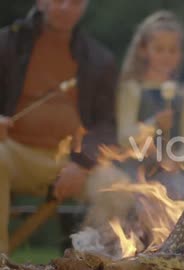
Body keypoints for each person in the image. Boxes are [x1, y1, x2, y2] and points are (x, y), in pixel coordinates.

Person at [0, 0, 120, 253]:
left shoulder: (99, 59)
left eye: (75, 1)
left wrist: (81, 162)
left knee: (116, 184)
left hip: (71, 160)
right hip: (14, 152)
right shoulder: (7, 45)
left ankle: (88, 260)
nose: (66, 7)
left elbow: (106, 126)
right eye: (58, 0)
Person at [116, 11, 184, 199]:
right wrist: (153, 124)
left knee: (183, 195)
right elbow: (123, 136)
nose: (166, 56)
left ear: (180, 54)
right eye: (159, 49)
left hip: (172, 171)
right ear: (144, 50)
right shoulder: (132, 89)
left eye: (172, 50)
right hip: (134, 170)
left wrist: (177, 160)